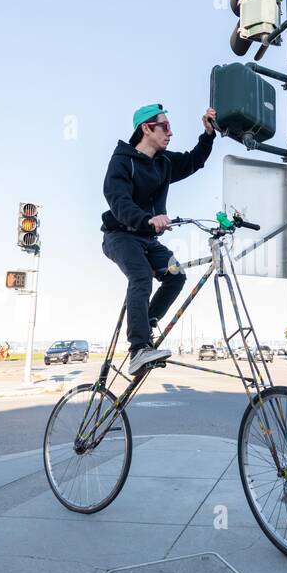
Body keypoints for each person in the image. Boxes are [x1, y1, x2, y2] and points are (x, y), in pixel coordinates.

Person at [102, 103, 217, 375]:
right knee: (141, 275)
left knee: (176, 274)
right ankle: (138, 349)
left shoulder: (163, 163)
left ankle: (147, 319)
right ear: (146, 128)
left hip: (147, 240)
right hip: (120, 235)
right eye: (165, 126)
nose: (171, 132)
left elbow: (193, 161)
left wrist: (208, 134)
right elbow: (118, 201)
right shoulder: (122, 161)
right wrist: (147, 219)